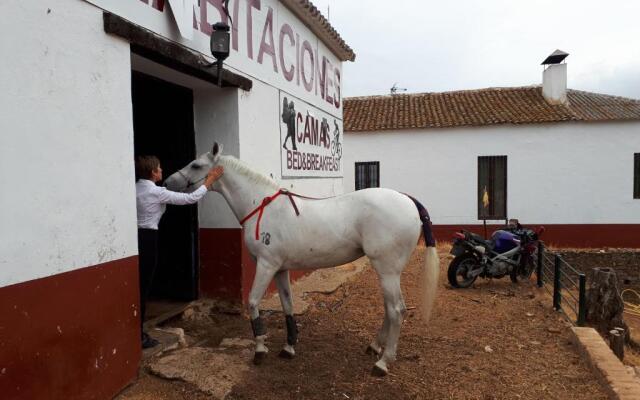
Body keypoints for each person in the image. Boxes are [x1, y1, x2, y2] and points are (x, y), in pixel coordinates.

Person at [135, 155, 224, 348]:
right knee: (144, 285)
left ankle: (137, 329)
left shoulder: (135, 189)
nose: (161, 171)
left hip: (135, 238)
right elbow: (191, 198)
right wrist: (209, 181)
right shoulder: (156, 192)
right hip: (148, 238)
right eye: (159, 168)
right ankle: (139, 335)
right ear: (153, 173)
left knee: (139, 284)